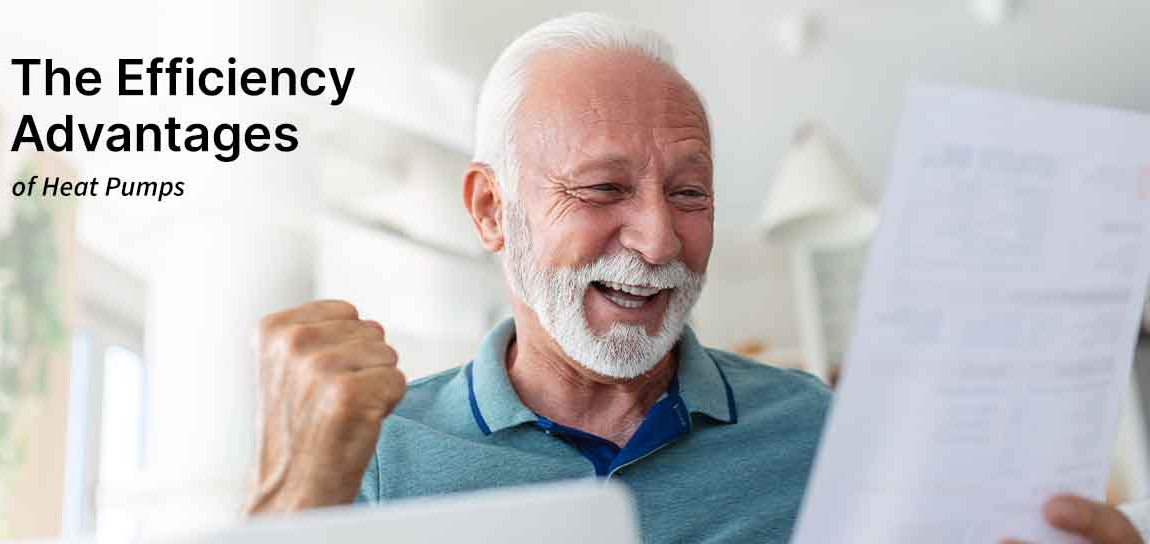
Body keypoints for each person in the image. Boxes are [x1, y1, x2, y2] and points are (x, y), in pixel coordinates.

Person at [243, 12, 1144, 543]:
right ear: (489, 210)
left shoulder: (826, 432)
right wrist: (288, 507)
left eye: (691, 192)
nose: (658, 237)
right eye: (601, 188)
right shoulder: (372, 457)